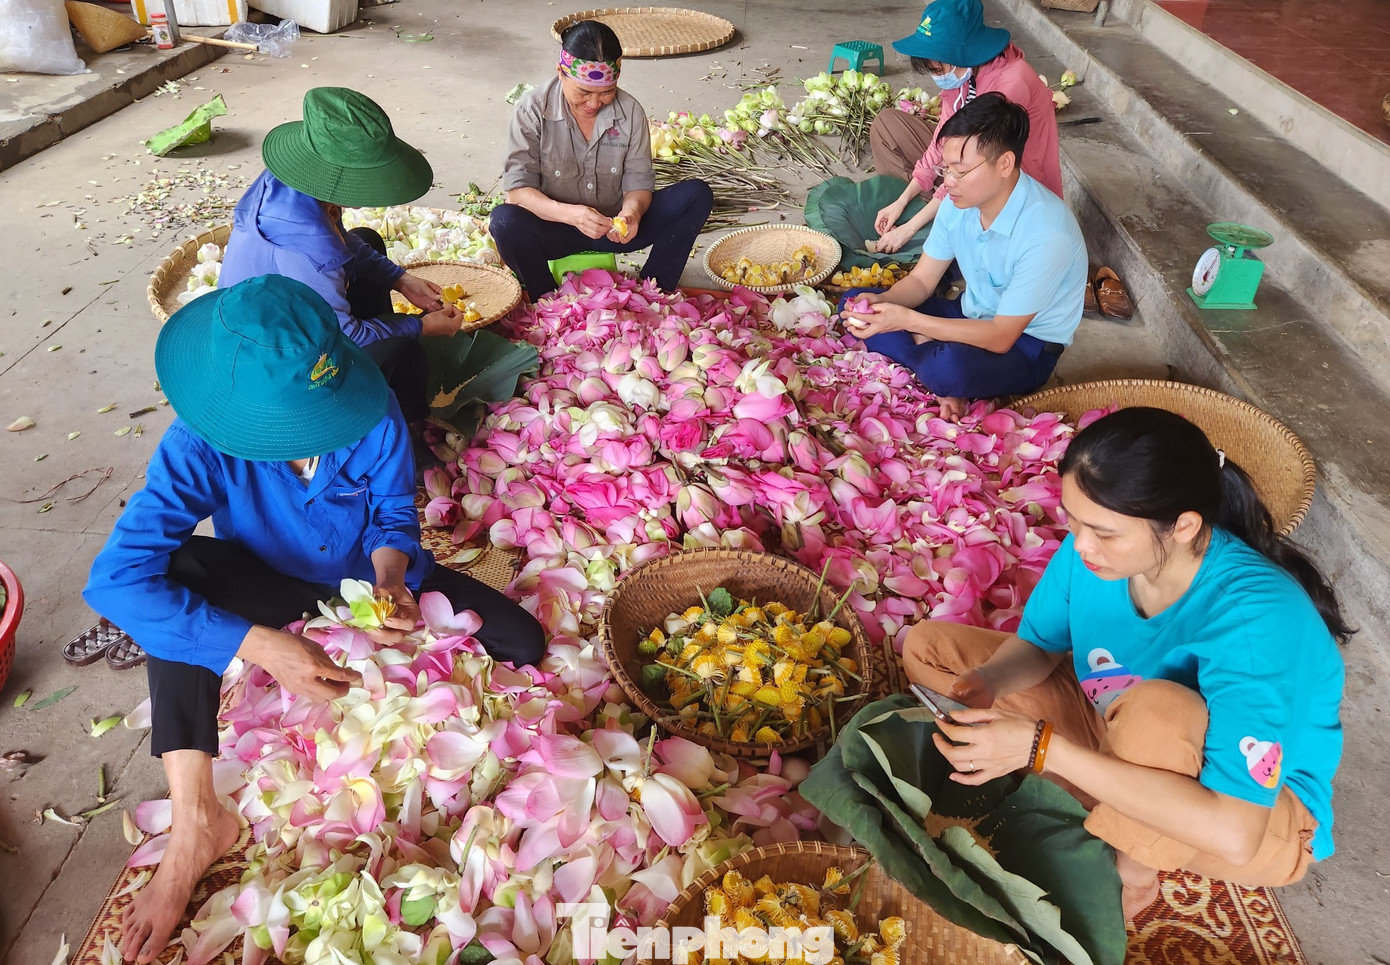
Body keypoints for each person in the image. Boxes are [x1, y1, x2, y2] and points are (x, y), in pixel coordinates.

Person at [83, 274, 546, 964]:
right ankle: (192, 830)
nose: (304, 436)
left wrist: (390, 582)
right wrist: (259, 644)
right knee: (169, 581)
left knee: (525, 640)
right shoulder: (201, 440)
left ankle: (342, 615)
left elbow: (394, 516)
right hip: (267, 580)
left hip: (358, 579)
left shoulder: (368, 404)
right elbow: (113, 579)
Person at [902, 407, 1348, 920]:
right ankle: (1103, 791)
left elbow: (1235, 833)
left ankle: (1132, 873)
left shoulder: (1257, 621)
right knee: (931, 648)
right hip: (1114, 727)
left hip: (1251, 813)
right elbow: (1041, 647)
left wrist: (1041, 749)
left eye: (1104, 532)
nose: (1080, 545)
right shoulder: (1093, 554)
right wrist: (986, 682)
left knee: (1159, 711)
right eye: (1073, 521)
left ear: (1183, 526)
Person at [220, 86, 462, 424]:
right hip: (271, 360)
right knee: (404, 352)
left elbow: (343, 241)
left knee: (367, 240)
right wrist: (418, 328)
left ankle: (385, 343)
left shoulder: (293, 185)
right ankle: (403, 432)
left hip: (290, 310)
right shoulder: (307, 255)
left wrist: (401, 280)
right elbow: (348, 337)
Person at [844, 93, 1086, 421]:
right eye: (945, 169)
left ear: (1005, 163)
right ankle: (928, 350)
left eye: (961, 171)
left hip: (1025, 346)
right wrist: (881, 305)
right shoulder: (956, 205)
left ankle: (931, 360)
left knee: (949, 369)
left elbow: (1001, 336)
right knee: (855, 302)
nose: (948, 183)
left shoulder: (1046, 233)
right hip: (969, 314)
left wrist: (907, 321)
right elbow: (921, 281)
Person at [491, 19, 714, 299]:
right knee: (504, 220)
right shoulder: (532, 109)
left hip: (614, 229)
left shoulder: (630, 111)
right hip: (554, 228)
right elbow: (519, 193)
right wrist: (572, 215)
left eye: (606, 92)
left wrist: (631, 213)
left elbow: (638, 182)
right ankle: (545, 300)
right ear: (561, 73)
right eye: (583, 92)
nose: (594, 103)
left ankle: (654, 289)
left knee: (696, 195)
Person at [870, 0, 1061, 254]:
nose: (936, 76)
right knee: (887, 125)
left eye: (938, 68)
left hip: (1009, 187)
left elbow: (970, 167)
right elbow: (942, 138)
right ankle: (940, 212)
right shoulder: (965, 73)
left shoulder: (1009, 86)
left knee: (960, 186)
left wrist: (909, 228)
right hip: (966, 163)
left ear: (963, 54)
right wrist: (901, 200)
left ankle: (945, 226)